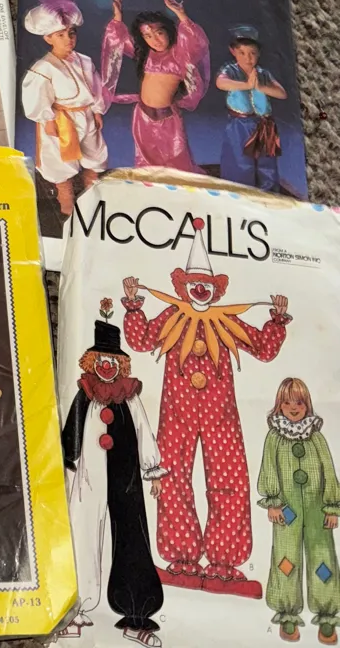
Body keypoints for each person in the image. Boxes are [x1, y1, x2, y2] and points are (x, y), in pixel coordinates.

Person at [122, 219, 292, 594]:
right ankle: (181, 557)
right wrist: (134, 305)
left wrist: (276, 320)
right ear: (182, 287)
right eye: (194, 285)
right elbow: (141, 340)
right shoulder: (172, 316)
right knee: (171, 479)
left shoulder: (225, 320)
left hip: (220, 415)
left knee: (229, 482)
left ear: (216, 290)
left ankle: (224, 562)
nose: (200, 291)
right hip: (177, 413)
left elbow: (263, 348)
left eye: (206, 287)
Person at [61, 306, 166, 646]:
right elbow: (70, 433)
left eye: (112, 361)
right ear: (92, 361)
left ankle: (136, 614)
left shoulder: (129, 396)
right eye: (101, 360)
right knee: (82, 533)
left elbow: (143, 430)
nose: (106, 366)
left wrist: (152, 470)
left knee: (132, 537)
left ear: (120, 364)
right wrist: (67, 465)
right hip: (88, 476)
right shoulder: (85, 394)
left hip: (126, 476)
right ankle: (76, 608)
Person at [258, 378, 340, 644]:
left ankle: (327, 614)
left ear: (308, 405)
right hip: (287, 510)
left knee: (323, 559)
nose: (293, 407)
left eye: (299, 402)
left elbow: (329, 471)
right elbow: (269, 468)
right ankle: (288, 613)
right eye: (287, 402)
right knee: (286, 558)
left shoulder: (316, 437)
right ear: (279, 406)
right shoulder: (274, 438)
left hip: (317, 510)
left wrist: (332, 506)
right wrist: (273, 502)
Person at [20, 0, 108, 217]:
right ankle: (65, 197)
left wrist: (97, 110)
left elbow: (96, 86)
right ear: (48, 37)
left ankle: (91, 190)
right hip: (61, 119)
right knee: (60, 158)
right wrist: (47, 119)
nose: (68, 39)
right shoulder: (43, 68)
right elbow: (37, 97)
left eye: (71, 33)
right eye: (60, 35)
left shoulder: (85, 61)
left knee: (93, 151)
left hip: (85, 114)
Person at [101, 0, 210, 173]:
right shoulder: (146, 54)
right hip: (142, 116)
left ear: (169, 31)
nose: (155, 40)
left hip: (167, 119)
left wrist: (181, 15)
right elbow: (118, 40)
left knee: (176, 161)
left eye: (159, 33)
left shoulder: (180, 55)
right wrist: (118, 17)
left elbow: (196, 42)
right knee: (146, 162)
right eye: (147, 36)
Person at [216, 24, 287, 191]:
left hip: (264, 123)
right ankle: (240, 191)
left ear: (259, 53)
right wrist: (246, 85)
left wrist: (260, 87)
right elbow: (220, 83)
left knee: (266, 160)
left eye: (252, 53)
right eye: (242, 53)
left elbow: (282, 93)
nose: (248, 58)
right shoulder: (230, 70)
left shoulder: (263, 74)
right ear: (233, 51)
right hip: (240, 124)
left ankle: (268, 192)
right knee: (240, 159)